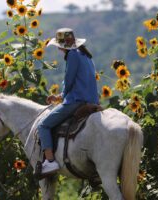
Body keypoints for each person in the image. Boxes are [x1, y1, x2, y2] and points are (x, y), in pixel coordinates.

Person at [37, 28, 100, 175]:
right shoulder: (85, 54)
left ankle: (50, 161)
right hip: (92, 100)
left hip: (77, 100)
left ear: (61, 46)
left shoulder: (72, 55)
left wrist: (62, 96)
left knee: (43, 125)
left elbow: (69, 80)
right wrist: (59, 96)